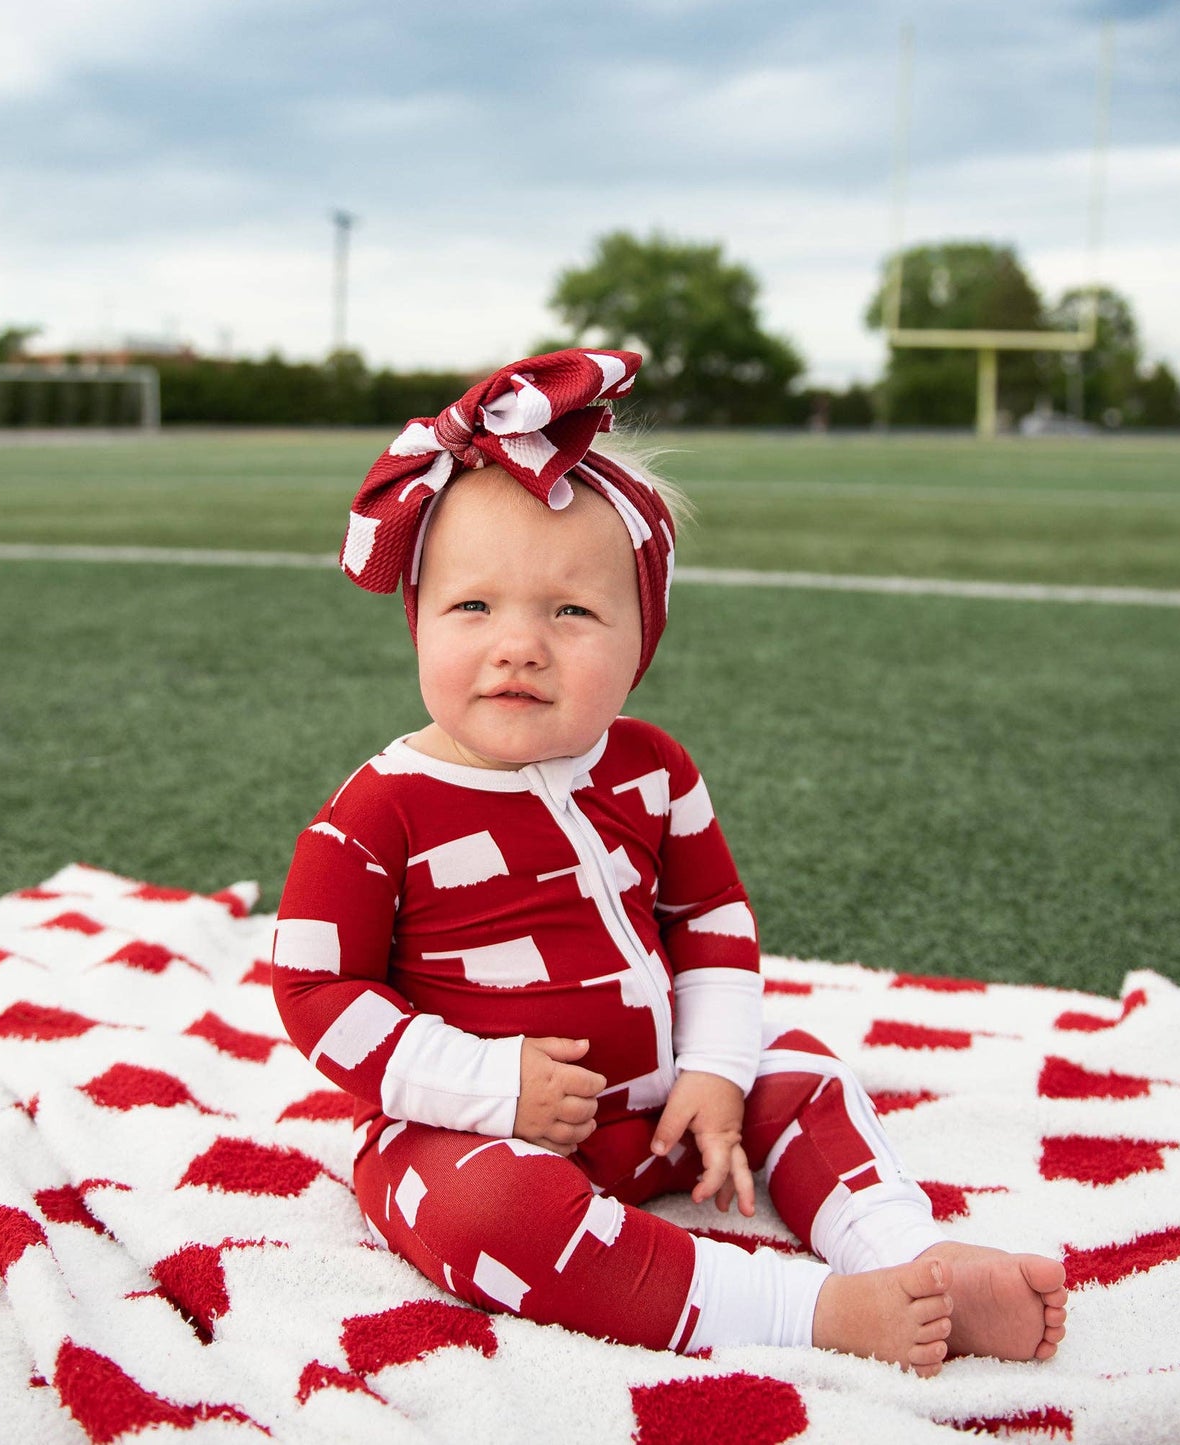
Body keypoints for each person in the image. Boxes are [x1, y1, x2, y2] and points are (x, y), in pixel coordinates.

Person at [272, 349, 1066, 1370]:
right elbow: (314, 987)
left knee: (804, 1071)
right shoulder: (376, 811)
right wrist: (484, 1083)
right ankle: (811, 1308)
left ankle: (911, 1256)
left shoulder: (652, 767)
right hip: (480, 1127)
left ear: (643, 634)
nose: (517, 644)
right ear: (417, 620)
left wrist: (716, 1070)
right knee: (486, 1211)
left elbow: (712, 921)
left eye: (570, 611)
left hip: (666, 1111)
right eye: (470, 607)